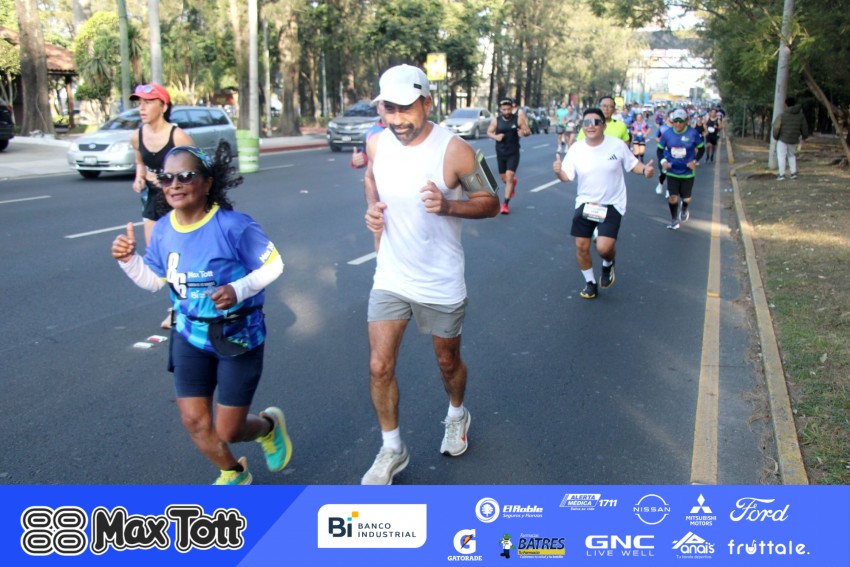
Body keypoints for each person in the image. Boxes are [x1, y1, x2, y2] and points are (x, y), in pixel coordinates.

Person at [110, 146, 291, 485]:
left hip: (237, 335)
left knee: (229, 429)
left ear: (207, 183)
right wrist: (128, 261)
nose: (174, 184)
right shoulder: (163, 229)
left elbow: (274, 265)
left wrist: (238, 289)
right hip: (190, 334)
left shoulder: (233, 226)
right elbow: (153, 281)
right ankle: (234, 473)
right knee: (194, 420)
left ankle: (268, 427)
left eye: (186, 176)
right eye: (167, 178)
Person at [361, 64, 500, 484]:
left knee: (447, 361)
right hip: (391, 275)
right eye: (389, 108)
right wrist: (372, 211)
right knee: (379, 366)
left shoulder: (456, 150)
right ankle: (392, 449)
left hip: (440, 279)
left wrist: (448, 205)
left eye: (406, 108)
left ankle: (457, 414)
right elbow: (370, 179)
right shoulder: (376, 143)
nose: (397, 119)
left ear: (427, 103)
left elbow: (491, 201)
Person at [552, 108, 655, 299]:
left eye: (596, 122)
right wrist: (558, 171)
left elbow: (633, 165)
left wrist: (645, 170)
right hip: (586, 203)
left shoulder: (616, 145)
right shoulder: (576, 149)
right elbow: (566, 177)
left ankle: (608, 263)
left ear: (604, 126)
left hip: (611, 204)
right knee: (581, 247)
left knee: (604, 248)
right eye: (586, 123)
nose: (591, 126)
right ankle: (590, 282)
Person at [129, 83, 194, 329]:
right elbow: (140, 163)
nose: (142, 108)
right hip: (153, 199)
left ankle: (182, 306)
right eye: (139, 103)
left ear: (163, 106)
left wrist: (169, 179)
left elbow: (196, 169)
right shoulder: (137, 136)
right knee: (159, 256)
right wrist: (139, 177)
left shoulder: (178, 136)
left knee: (181, 256)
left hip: (178, 200)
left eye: (148, 102)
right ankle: (176, 305)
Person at [657, 108, 705, 230]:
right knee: (673, 197)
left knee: (686, 198)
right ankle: (674, 220)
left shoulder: (692, 133)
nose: (678, 124)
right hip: (672, 171)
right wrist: (663, 162)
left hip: (687, 172)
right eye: (675, 121)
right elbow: (659, 150)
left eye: (681, 121)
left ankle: (684, 208)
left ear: (686, 121)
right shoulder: (667, 133)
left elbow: (701, 148)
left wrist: (695, 161)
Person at [487, 97, 531, 214]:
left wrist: (523, 132)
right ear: (501, 109)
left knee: (509, 175)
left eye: (508, 109)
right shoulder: (496, 121)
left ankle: (505, 204)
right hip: (501, 152)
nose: (506, 112)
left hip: (513, 152)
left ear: (512, 108)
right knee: (504, 178)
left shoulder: (518, 119)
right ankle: (511, 183)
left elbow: (528, 131)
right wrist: (496, 137)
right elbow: (489, 132)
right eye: (504, 110)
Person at [772, 96, 809, 180]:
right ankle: (793, 173)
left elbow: (776, 128)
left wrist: (776, 137)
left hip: (782, 139)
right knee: (792, 156)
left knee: (781, 156)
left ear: (786, 104)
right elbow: (804, 128)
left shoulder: (782, 116)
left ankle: (781, 174)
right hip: (794, 139)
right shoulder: (801, 116)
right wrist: (804, 136)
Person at [351, 101, 387, 169]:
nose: (387, 107)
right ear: (378, 109)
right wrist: (358, 159)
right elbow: (366, 154)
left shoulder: (404, 129)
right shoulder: (372, 131)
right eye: (383, 104)